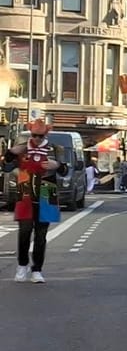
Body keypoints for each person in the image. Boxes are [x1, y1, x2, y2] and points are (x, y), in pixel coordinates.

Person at [8, 120, 65, 283]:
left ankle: (37, 269)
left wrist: (57, 165)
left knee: (41, 235)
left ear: (46, 134)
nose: (37, 139)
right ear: (30, 134)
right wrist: (12, 152)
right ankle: (22, 265)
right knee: (24, 232)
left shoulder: (55, 149)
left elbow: (65, 170)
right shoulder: (22, 148)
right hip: (25, 189)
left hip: (47, 191)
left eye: (40, 136)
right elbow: (6, 165)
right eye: (34, 135)